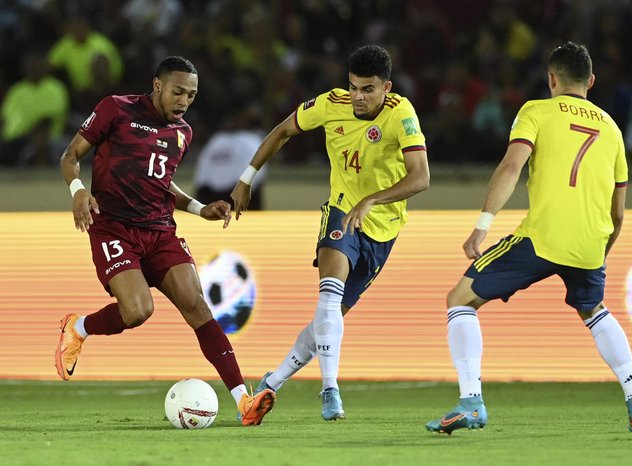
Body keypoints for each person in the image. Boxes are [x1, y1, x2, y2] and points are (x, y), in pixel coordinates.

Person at [425, 42, 632, 434]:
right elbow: (619, 213)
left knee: (460, 299)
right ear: (592, 82)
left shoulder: (536, 111)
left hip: (543, 237)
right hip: (590, 243)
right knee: (595, 310)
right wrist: (602, 252)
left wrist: (484, 222)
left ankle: (472, 402)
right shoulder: (614, 129)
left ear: (551, 78)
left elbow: (512, 165)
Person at [54, 56, 275, 426]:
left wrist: (200, 208)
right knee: (138, 311)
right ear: (157, 85)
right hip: (113, 227)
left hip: (159, 230)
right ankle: (79, 328)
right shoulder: (116, 109)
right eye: (178, 92)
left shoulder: (182, 133)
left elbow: (160, 184)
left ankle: (244, 401)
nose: (184, 101)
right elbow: (70, 155)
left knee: (198, 307)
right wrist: (78, 191)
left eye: (191, 95)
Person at [231, 45, 429, 420]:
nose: (358, 96)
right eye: (354, 87)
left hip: (382, 229)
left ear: (386, 87)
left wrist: (372, 200)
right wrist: (247, 177)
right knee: (328, 297)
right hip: (341, 210)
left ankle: (272, 383)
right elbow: (283, 130)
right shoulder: (329, 104)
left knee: (331, 317)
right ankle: (329, 391)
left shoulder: (401, 114)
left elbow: (422, 177)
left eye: (368, 89)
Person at [193, 103, 267, 208]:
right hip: (213, 197)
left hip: (240, 197)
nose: (233, 121)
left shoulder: (251, 140)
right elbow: (202, 177)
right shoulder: (216, 140)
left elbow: (256, 177)